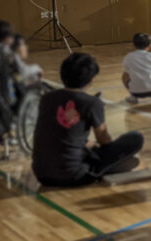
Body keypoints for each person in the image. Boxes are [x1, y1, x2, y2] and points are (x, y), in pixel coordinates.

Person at [32, 52, 144, 186]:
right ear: (90, 80)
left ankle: (101, 161)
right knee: (136, 138)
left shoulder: (46, 98)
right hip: (75, 176)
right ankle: (107, 167)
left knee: (90, 148)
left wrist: (86, 144)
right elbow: (104, 140)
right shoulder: (92, 103)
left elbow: (57, 132)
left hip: (41, 174)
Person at [121, 33, 151, 104]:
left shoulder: (129, 56)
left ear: (134, 44)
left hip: (136, 92)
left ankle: (133, 97)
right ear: (149, 46)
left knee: (125, 74)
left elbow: (127, 71)